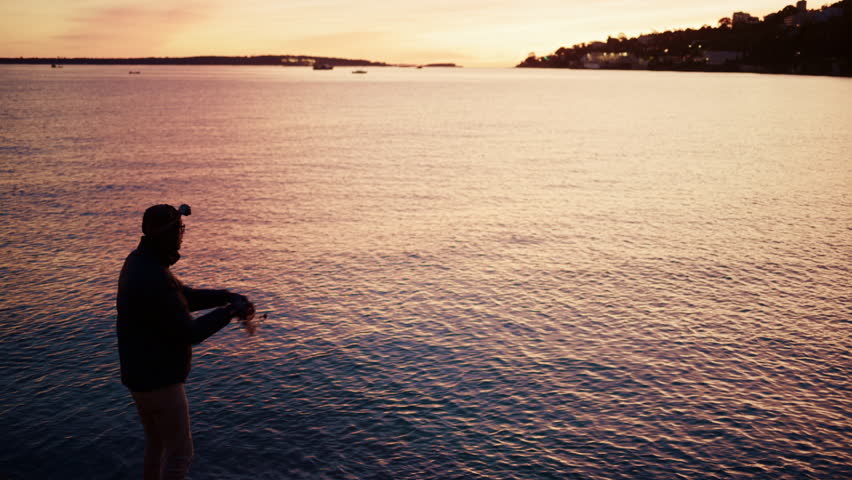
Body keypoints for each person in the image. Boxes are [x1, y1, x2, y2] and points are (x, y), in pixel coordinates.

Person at [116, 204, 254, 480]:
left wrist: (225, 296)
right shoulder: (153, 276)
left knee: (157, 445)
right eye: (180, 229)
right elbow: (190, 332)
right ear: (166, 234)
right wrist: (230, 311)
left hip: (139, 377)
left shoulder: (140, 262)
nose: (183, 235)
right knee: (180, 453)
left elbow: (182, 297)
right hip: (160, 382)